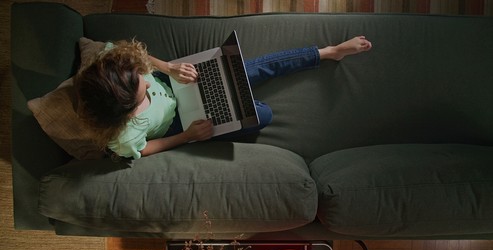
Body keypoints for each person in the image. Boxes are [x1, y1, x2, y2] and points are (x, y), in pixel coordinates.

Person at [75, 36, 372, 159]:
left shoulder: (112, 66)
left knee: (251, 70)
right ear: (128, 113)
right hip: (180, 124)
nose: (146, 85)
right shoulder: (123, 137)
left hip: (178, 80)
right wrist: (188, 136)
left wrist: (168, 68)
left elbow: (131, 52)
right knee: (262, 115)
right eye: (142, 96)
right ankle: (226, 103)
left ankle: (327, 52)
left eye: (142, 78)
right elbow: (146, 147)